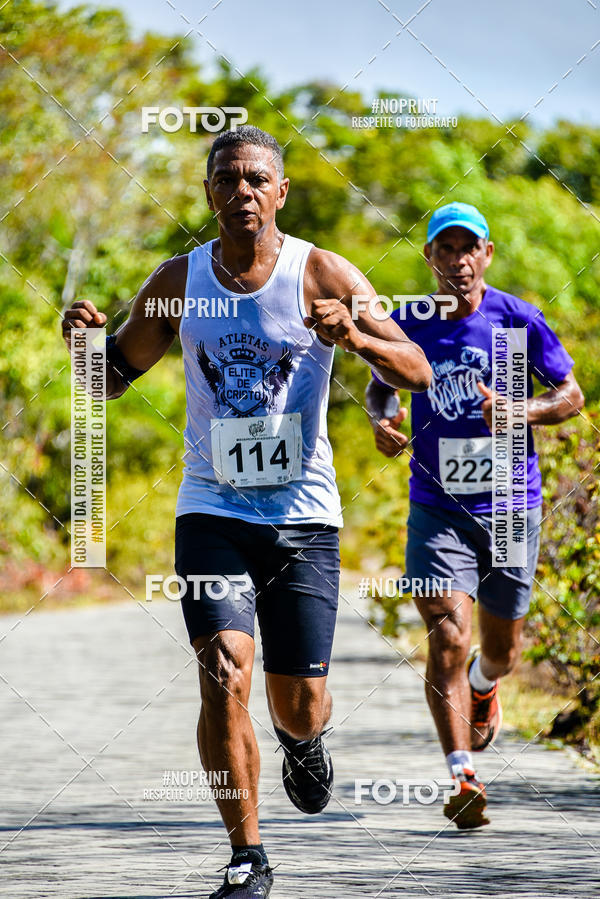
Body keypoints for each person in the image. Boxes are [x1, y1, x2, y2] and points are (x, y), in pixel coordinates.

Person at [61, 125, 431, 897]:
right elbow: (112, 379)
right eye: (227, 180)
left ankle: (304, 741)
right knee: (222, 670)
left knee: (297, 706)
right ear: (209, 192)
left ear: (281, 192)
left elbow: (418, 369)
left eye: (258, 180)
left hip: (304, 517)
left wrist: (356, 332)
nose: (243, 193)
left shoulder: (321, 270)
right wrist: (85, 351)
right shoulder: (178, 280)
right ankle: (247, 856)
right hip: (212, 509)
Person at [366, 201, 584, 830]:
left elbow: (570, 394)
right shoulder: (410, 321)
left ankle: (486, 687)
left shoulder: (517, 320)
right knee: (447, 637)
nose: (458, 261)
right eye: (445, 249)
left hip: (513, 503)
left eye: (469, 248)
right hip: (438, 506)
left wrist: (523, 413)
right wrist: (384, 416)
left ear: (486, 254)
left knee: (502, 651)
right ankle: (462, 774)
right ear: (429, 258)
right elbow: (384, 380)